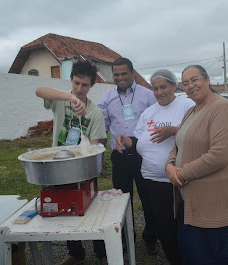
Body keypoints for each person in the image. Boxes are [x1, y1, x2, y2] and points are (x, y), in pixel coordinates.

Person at [116, 69, 194, 265]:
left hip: (176, 178)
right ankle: (175, 259)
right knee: (162, 226)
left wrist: (174, 130)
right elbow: (138, 140)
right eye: (155, 88)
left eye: (163, 87)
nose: (159, 92)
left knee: (181, 225)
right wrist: (126, 141)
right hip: (149, 178)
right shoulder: (149, 112)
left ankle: (185, 258)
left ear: (174, 86)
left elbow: (198, 131)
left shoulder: (186, 104)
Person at [165, 65, 228, 265]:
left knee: (210, 257)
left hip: (212, 205)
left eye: (195, 80)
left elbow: (219, 156)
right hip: (188, 202)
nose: (190, 86)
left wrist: (181, 174)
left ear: (207, 80)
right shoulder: (191, 111)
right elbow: (177, 144)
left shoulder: (222, 108)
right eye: (185, 83)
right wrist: (169, 165)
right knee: (191, 256)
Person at [35, 61, 108, 265]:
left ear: (91, 85)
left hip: (84, 169)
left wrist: (93, 159)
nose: (79, 89)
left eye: (84, 85)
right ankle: (76, 253)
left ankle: (101, 253)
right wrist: (69, 97)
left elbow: (95, 147)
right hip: (58, 167)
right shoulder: (60, 100)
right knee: (65, 211)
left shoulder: (95, 113)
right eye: (76, 83)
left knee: (91, 211)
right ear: (71, 80)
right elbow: (39, 91)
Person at [97, 57, 159, 254]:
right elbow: (101, 129)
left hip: (143, 154)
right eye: (116, 74)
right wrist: (99, 155)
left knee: (148, 197)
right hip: (120, 156)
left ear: (133, 73)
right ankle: (125, 238)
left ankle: (151, 237)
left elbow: (155, 123)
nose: (120, 77)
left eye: (124, 73)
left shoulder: (148, 96)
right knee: (121, 200)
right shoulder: (106, 98)